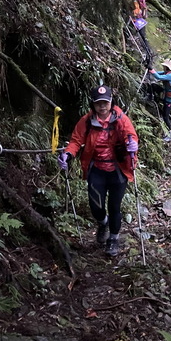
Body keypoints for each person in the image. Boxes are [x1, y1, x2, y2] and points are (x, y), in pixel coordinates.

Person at [57, 85, 139, 257]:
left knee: (114, 206)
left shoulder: (120, 119)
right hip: (97, 170)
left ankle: (113, 240)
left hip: (118, 170)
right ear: (93, 105)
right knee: (96, 207)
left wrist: (132, 145)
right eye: (98, 103)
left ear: (111, 102)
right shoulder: (87, 121)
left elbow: (130, 135)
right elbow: (76, 140)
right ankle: (103, 223)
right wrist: (67, 154)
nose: (102, 106)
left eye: (105, 102)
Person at [148, 60, 171, 142]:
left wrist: (151, 70)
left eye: (164, 66)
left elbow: (158, 77)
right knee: (153, 86)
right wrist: (151, 69)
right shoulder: (167, 72)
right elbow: (157, 73)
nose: (163, 67)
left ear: (167, 67)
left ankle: (170, 133)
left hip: (170, 100)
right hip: (166, 96)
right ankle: (150, 97)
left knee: (165, 116)